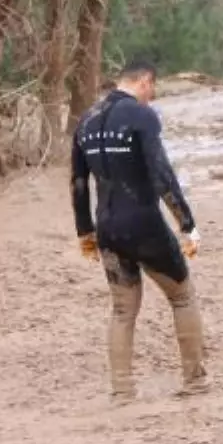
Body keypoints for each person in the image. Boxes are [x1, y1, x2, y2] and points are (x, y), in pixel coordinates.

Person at [72, 58, 207, 401]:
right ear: (145, 81)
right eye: (153, 88)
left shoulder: (86, 120)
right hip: (144, 224)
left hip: (107, 228)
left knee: (122, 310)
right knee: (182, 295)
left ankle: (122, 391)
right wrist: (187, 224)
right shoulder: (142, 116)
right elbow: (162, 175)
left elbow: (78, 184)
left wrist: (84, 232)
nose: (153, 95)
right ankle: (195, 380)